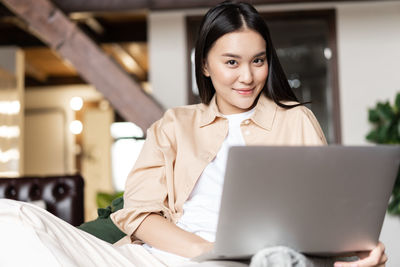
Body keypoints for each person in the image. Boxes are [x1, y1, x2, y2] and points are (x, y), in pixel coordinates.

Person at [0, 1, 387, 267]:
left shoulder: (295, 120)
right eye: (231, 62)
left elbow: (322, 214)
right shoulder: (174, 125)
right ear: (205, 64)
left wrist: (354, 253)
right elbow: (138, 213)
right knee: (11, 217)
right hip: (168, 255)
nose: (247, 76)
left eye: (258, 60)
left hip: (259, 258)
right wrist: (208, 250)